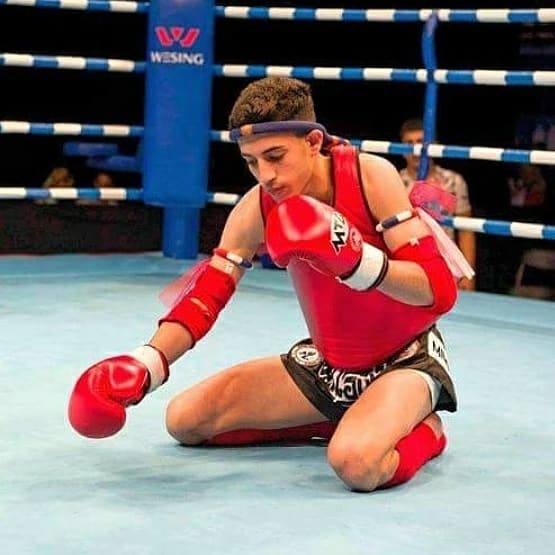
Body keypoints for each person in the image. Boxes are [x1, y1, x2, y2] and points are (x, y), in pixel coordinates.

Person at [68, 77, 470, 492]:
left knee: (357, 464)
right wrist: (147, 363)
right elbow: (205, 298)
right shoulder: (256, 208)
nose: (267, 175)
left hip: (403, 360)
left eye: (275, 156)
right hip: (329, 367)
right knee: (184, 421)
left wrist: (358, 262)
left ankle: (427, 429)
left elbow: (439, 292)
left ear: (313, 142)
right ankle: (343, 418)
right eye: (252, 162)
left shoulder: (369, 176)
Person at [399, 118, 477, 291]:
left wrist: (468, 274)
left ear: (433, 145)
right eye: (409, 144)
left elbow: (466, 230)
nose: (416, 149)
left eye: (421, 142)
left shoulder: (453, 181)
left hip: (447, 266)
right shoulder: (393, 181)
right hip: (407, 266)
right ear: (402, 149)